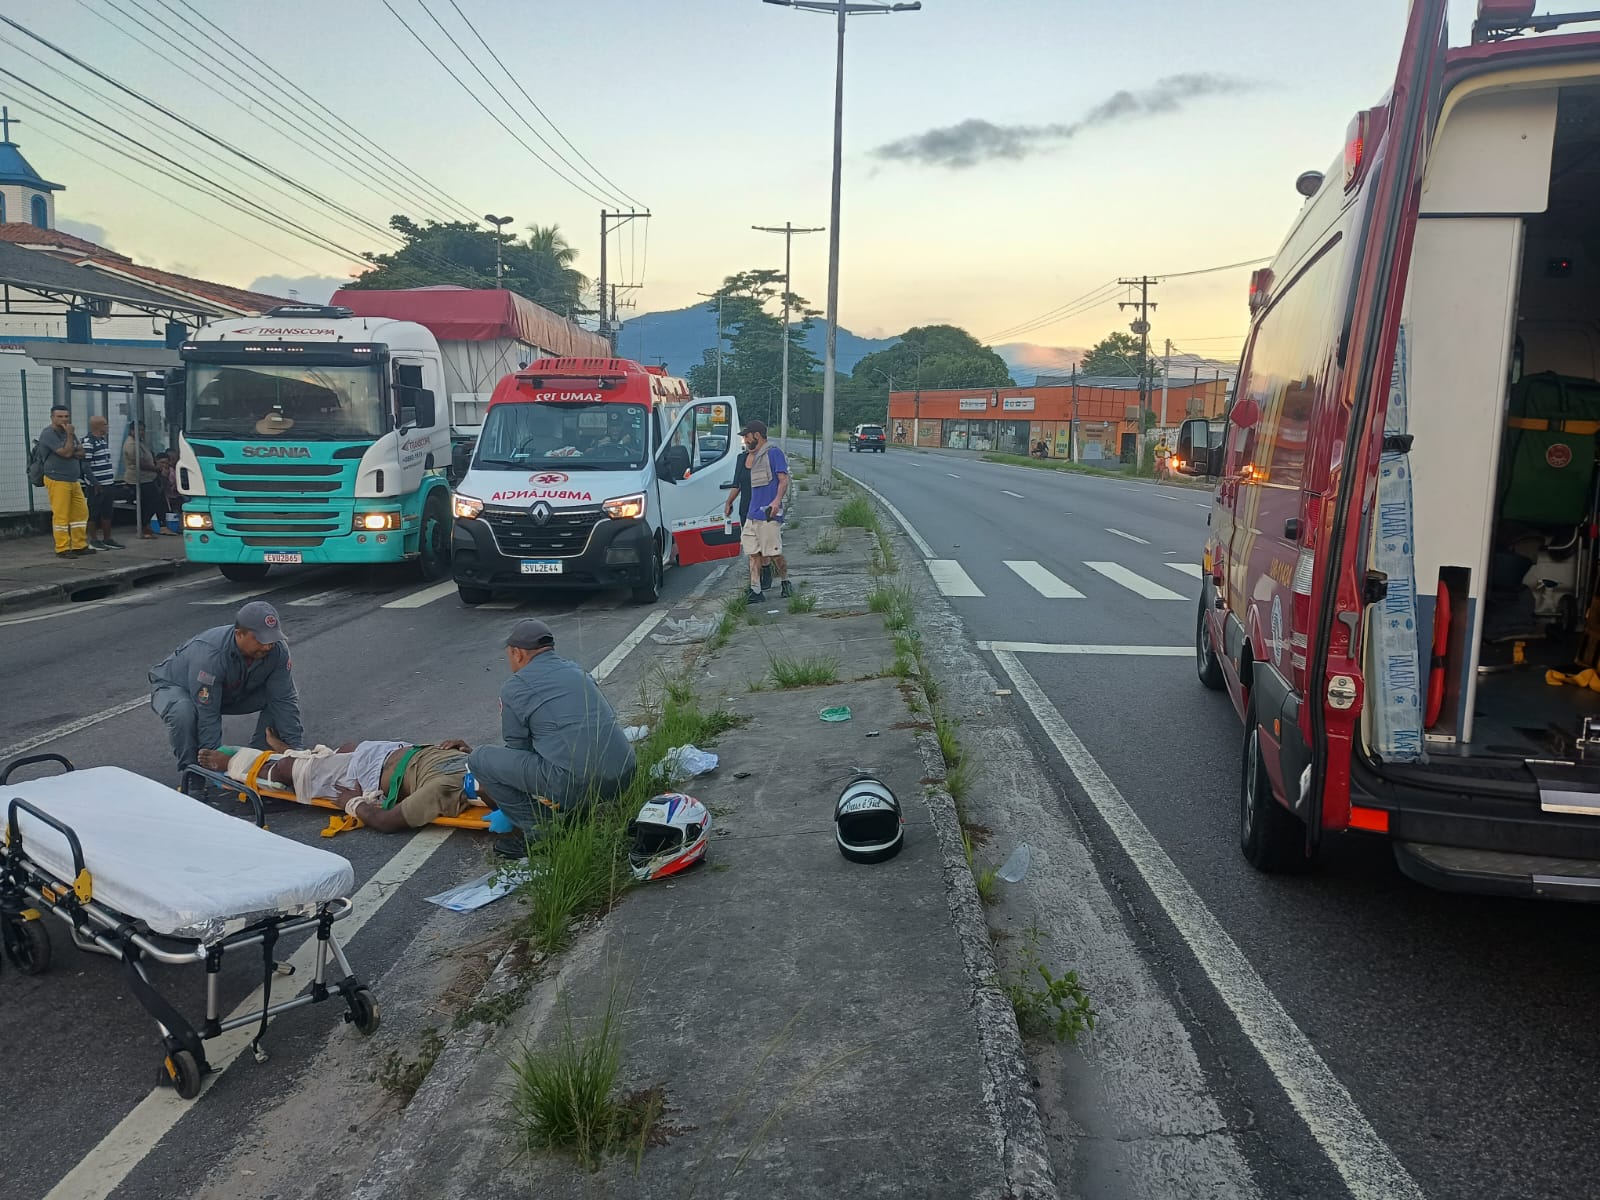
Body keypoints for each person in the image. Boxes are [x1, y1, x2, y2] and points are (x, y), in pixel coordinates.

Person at [467, 618, 637, 859]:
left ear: (517, 653)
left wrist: (501, 798)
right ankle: (578, 813)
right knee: (569, 750)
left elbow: (518, 749)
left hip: (579, 783)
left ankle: (543, 832)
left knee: (480, 758)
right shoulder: (579, 672)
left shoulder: (515, 686)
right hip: (625, 773)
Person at [148, 601, 304, 793]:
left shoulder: (277, 651)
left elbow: (284, 700)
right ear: (239, 634)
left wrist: (296, 753)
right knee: (184, 713)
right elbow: (208, 714)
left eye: (272, 639)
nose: (268, 646)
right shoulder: (210, 655)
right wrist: (214, 764)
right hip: (177, 687)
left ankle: (258, 760)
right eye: (261, 640)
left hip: (228, 690)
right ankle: (193, 774)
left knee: (280, 697)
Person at [198, 736, 482, 833]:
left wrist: (353, 804)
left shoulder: (446, 787)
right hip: (393, 751)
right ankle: (295, 755)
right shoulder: (476, 760)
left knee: (288, 771)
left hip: (368, 774)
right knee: (344, 748)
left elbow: (387, 822)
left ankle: (235, 764)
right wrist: (467, 749)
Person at [737, 419, 790, 604]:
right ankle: (755, 590)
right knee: (753, 553)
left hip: (769, 513)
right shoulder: (754, 456)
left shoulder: (773, 453)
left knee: (774, 553)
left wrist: (776, 502)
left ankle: (785, 581)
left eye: (747, 436)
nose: (745, 440)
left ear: (756, 435)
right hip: (753, 513)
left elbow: (783, 479)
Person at [35, 404, 92, 558]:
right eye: (60, 416)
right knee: (61, 515)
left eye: (66, 416)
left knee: (80, 513)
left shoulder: (69, 432)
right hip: (57, 479)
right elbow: (67, 453)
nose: (64, 419)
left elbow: (82, 452)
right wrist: (69, 439)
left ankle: (79, 544)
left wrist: (71, 447)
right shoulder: (49, 434)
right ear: (52, 417)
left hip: (73, 479)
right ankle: (62, 548)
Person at [81, 414, 123, 550]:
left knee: (107, 512)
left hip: (108, 482)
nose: (107, 426)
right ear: (97, 426)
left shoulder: (102, 441)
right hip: (96, 485)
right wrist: (95, 483)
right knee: (93, 513)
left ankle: (107, 538)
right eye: (105, 424)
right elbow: (85, 466)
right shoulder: (88, 442)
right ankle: (93, 539)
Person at [122, 421, 162, 539]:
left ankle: (146, 525)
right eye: (138, 430)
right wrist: (156, 469)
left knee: (150, 502)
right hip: (138, 479)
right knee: (153, 500)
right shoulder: (131, 445)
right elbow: (140, 463)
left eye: (142, 430)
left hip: (147, 477)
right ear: (131, 431)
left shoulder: (140, 442)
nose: (141, 432)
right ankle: (144, 525)